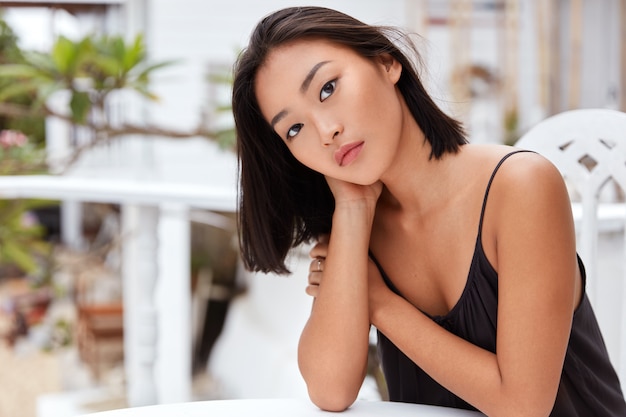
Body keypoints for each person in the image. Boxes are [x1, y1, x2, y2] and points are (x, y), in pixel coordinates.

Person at [231, 6, 626, 417]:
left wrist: (379, 302)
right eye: (294, 129)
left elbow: (523, 407)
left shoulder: (521, 186)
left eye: (328, 88)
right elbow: (331, 390)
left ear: (387, 62)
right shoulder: (357, 227)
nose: (325, 131)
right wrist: (352, 209)